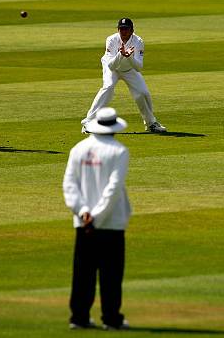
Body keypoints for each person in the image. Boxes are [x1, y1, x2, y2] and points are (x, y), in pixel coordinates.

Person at [63, 107, 131, 331]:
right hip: (110, 222)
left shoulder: (79, 149)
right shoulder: (119, 151)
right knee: (111, 273)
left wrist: (83, 212)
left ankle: (79, 317)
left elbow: (69, 185)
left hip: (83, 223)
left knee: (83, 272)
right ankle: (111, 319)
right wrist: (98, 216)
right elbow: (113, 188)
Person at [81, 18, 167, 134]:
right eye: (121, 29)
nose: (123, 32)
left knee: (143, 93)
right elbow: (111, 66)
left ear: (132, 30)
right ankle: (88, 122)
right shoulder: (111, 40)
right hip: (112, 69)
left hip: (130, 69)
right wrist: (121, 55)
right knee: (108, 87)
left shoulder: (138, 41)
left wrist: (129, 57)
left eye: (126, 29)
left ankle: (151, 123)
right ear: (118, 30)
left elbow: (138, 67)